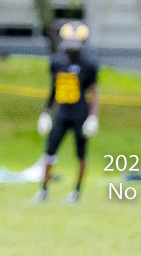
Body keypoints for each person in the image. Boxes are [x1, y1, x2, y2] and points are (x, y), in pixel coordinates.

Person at [34, 21, 99, 204]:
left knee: (80, 154)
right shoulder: (57, 61)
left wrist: (93, 116)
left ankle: (77, 192)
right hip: (62, 114)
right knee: (49, 152)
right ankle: (43, 191)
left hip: (80, 114)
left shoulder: (89, 63)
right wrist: (46, 112)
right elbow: (53, 88)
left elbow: (94, 91)